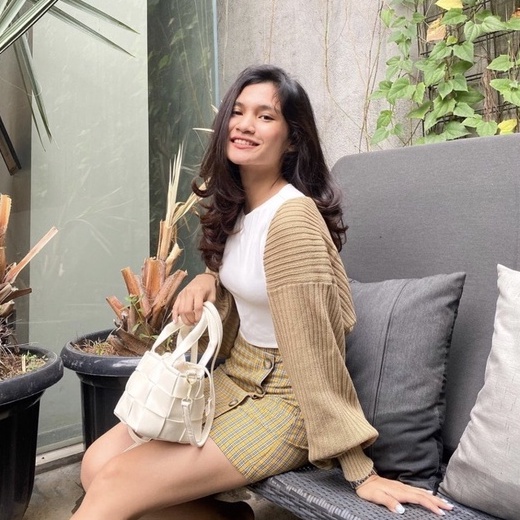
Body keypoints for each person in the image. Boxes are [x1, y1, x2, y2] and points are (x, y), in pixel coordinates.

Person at [70, 65, 453, 519]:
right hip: (238, 377)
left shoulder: (292, 220)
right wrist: (209, 278)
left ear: (292, 139)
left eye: (265, 116)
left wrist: (360, 471)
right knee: (95, 465)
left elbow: (316, 350)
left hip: (289, 402)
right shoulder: (239, 208)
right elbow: (248, 278)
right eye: (238, 112)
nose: (245, 125)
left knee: (116, 482)